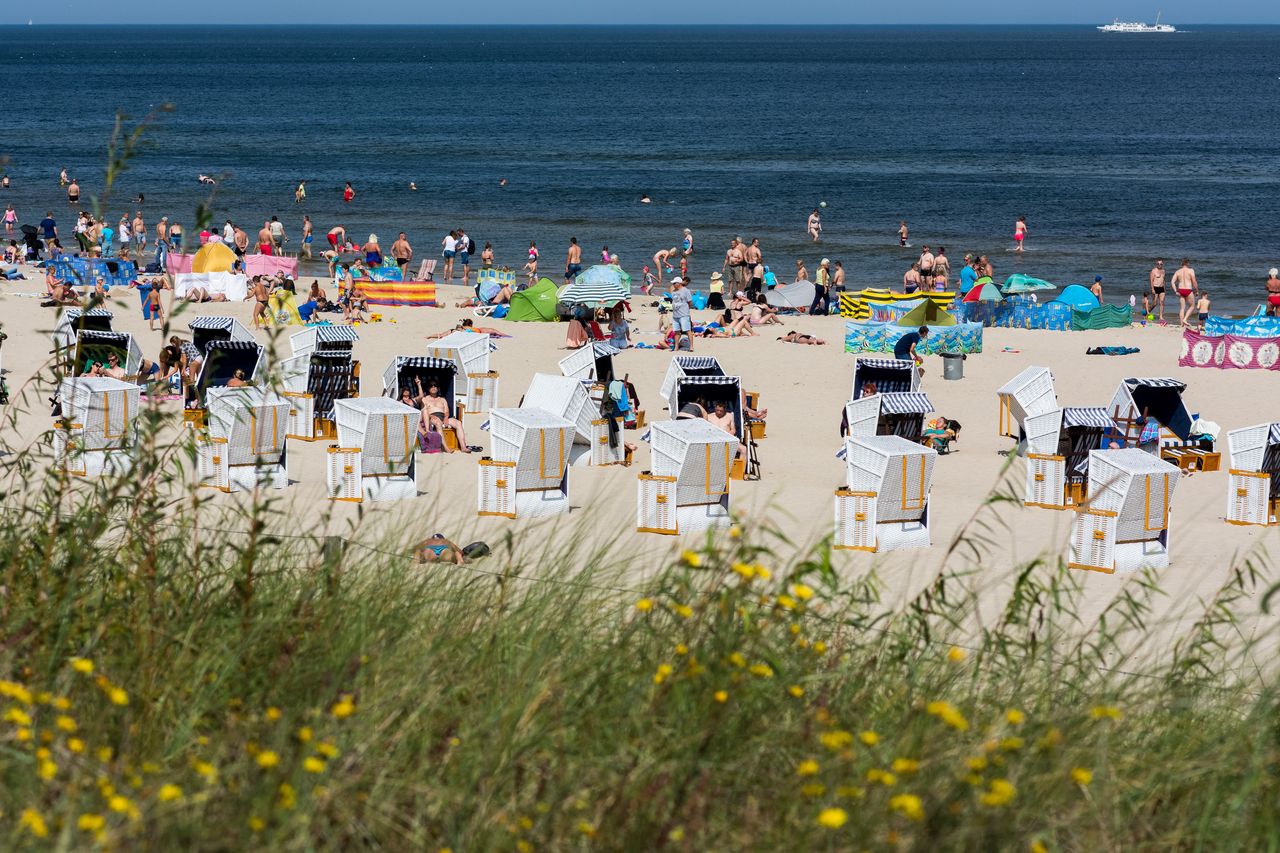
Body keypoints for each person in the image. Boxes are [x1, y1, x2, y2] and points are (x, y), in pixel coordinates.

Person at [415, 376, 470, 453]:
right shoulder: (425, 399)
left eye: (435, 385)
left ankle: (463, 447)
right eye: (431, 386)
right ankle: (446, 448)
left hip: (443, 417)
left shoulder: (442, 399)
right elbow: (424, 411)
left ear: (438, 388)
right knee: (437, 422)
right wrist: (419, 384)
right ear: (428, 388)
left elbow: (446, 411)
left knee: (458, 423)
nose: (433, 387)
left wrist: (446, 418)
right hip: (431, 417)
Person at [1171, 258, 1198, 327]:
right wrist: (1196, 291)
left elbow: (1172, 282)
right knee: (1192, 306)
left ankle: (1181, 324)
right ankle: (1185, 319)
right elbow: (1194, 281)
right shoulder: (1191, 270)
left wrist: (1175, 290)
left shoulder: (1178, 271)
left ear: (1181, 264)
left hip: (1181, 290)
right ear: (1188, 263)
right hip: (1188, 290)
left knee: (1182, 308)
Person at [669, 276, 693, 352]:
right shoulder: (673, 291)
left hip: (684, 314)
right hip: (675, 315)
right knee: (676, 332)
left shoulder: (686, 291)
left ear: (679, 283)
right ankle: (676, 347)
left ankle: (691, 347)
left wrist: (686, 311)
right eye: (673, 283)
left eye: (674, 283)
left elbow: (689, 302)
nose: (673, 284)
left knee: (687, 330)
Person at [1149, 259, 1167, 323]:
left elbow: (1163, 280)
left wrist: (1164, 289)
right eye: (1158, 264)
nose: (1159, 265)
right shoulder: (1153, 271)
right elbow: (1151, 280)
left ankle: (1161, 317)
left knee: (1162, 302)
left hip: (1162, 288)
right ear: (1156, 264)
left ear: (1162, 264)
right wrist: (1152, 289)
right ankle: (1147, 312)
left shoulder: (1163, 271)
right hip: (1155, 288)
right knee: (1154, 303)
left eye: (1161, 264)